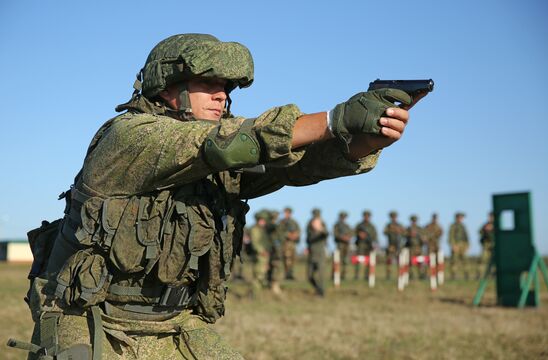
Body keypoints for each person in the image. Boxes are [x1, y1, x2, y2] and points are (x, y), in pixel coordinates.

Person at [14, 33, 413, 359]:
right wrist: (333, 119)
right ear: (167, 87)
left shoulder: (218, 155)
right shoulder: (131, 136)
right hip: (88, 316)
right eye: (209, 84)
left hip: (173, 320)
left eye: (226, 87)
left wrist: (361, 141)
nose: (222, 96)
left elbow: (296, 164)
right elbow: (231, 142)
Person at [306, 208, 329, 297]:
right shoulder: (309, 225)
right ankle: (317, 289)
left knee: (320, 275)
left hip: (320, 255)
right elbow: (308, 239)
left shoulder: (322, 224)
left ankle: (321, 292)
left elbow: (326, 233)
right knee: (309, 276)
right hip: (312, 254)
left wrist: (320, 228)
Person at [248, 210, 271, 296]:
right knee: (258, 276)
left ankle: (257, 294)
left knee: (262, 276)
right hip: (260, 256)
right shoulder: (255, 229)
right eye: (262, 220)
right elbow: (255, 243)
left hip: (265, 256)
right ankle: (254, 294)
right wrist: (261, 251)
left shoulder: (263, 230)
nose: (263, 222)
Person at [354, 210, 378, 280]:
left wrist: (371, 239)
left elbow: (375, 236)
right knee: (359, 260)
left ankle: (367, 276)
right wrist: (359, 235)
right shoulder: (359, 225)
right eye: (365, 216)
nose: (366, 218)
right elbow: (354, 232)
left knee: (369, 261)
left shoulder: (372, 226)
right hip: (360, 245)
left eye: (368, 216)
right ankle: (357, 275)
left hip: (369, 246)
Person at [280, 207, 301, 280]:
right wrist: (287, 235)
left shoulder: (294, 222)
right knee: (286, 259)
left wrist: (296, 235)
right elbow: (279, 231)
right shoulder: (282, 222)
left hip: (293, 244)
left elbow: (299, 231)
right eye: (285, 212)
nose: (286, 214)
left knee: (293, 259)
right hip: (285, 244)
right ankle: (287, 274)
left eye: (288, 212)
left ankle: (291, 274)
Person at [384, 211, 405, 279]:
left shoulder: (400, 225)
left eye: (394, 217)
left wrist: (399, 231)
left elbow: (404, 233)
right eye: (392, 217)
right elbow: (385, 232)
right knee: (389, 260)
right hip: (391, 245)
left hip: (398, 245)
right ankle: (388, 275)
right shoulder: (388, 225)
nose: (394, 218)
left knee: (400, 260)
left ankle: (400, 274)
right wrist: (392, 230)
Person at [332, 211, 354, 280]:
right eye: (342, 217)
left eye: (344, 217)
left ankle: (343, 275)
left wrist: (348, 237)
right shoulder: (336, 225)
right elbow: (335, 233)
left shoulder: (347, 226)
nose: (343, 218)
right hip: (339, 245)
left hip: (346, 245)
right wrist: (342, 237)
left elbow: (352, 233)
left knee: (346, 260)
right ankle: (334, 275)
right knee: (337, 260)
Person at [266, 209, 283, 294]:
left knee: (276, 266)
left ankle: (274, 285)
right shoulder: (270, 225)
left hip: (276, 249)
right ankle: (272, 284)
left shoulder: (277, 225)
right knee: (272, 266)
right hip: (271, 248)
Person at [449, 212, 470, 280]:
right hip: (456, 245)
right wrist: (453, 245)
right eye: (460, 217)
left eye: (462, 218)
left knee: (465, 261)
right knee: (454, 261)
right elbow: (450, 236)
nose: (461, 219)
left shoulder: (463, 226)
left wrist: (467, 245)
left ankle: (467, 275)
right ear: (457, 218)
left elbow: (466, 237)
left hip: (463, 245)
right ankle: (454, 276)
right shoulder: (453, 226)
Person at [404, 215, 425, 279]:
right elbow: (404, 234)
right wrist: (410, 234)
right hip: (411, 248)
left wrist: (422, 238)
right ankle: (411, 275)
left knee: (420, 262)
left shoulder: (420, 229)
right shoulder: (408, 228)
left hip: (419, 248)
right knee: (410, 262)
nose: (414, 222)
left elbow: (424, 237)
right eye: (413, 221)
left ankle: (422, 275)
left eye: (415, 221)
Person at [477, 211, 494, 279]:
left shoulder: (497, 224)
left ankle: (494, 274)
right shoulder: (485, 225)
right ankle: (480, 275)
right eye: (490, 216)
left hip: (493, 245)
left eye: (492, 216)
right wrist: (485, 229)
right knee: (483, 260)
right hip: (486, 244)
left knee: (493, 260)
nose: (491, 218)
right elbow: (480, 232)